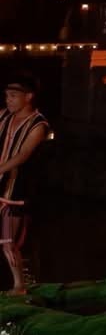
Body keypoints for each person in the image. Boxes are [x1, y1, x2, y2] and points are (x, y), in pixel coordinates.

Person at [0, 73, 50, 295]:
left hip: (18, 189)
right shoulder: (3, 117)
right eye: (6, 96)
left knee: (8, 241)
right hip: (1, 184)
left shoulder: (38, 125)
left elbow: (23, 155)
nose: (8, 100)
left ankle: (19, 286)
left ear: (28, 97)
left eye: (13, 96)